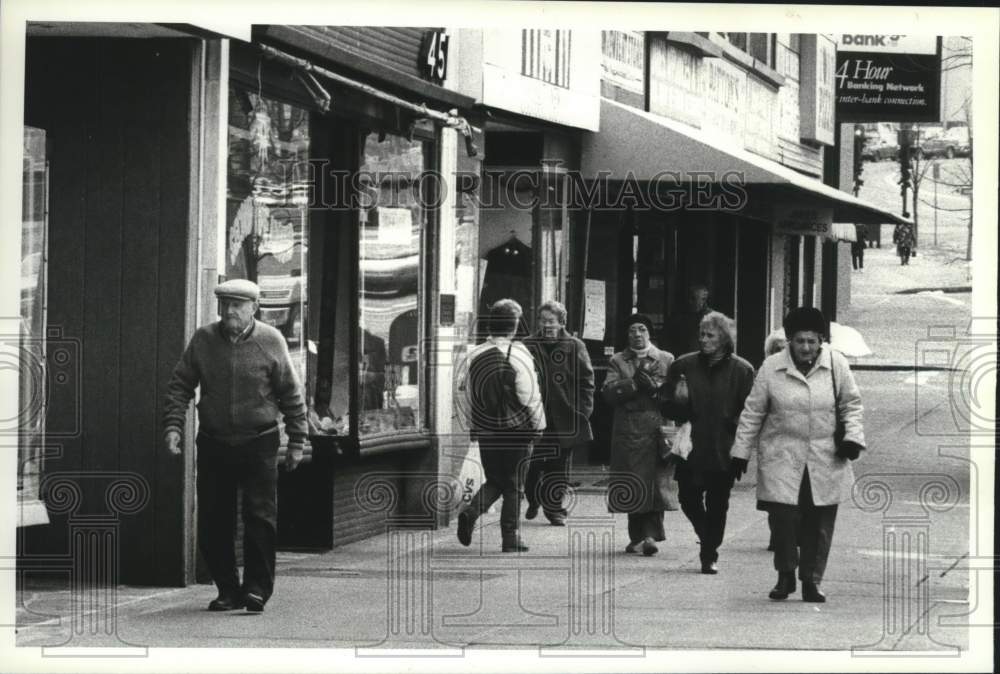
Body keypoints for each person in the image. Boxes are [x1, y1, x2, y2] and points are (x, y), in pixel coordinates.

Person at [163, 279, 307, 614]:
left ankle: (257, 589)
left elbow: (291, 394)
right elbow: (180, 384)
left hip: (259, 441)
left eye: (237, 305)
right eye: (225, 304)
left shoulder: (271, 341)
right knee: (214, 519)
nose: (229, 311)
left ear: (254, 308)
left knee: (259, 517)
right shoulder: (204, 340)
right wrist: (173, 426)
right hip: (214, 441)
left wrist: (298, 440)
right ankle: (227, 589)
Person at [731, 307, 866, 603]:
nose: (806, 347)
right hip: (782, 454)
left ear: (821, 341)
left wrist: (853, 438)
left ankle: (811, 581)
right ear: (790, 341)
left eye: (812, 341)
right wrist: (740, 452)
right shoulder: (771, 367)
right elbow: (753, 411)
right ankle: (785, 575)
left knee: (820, 524)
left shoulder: (837, 365)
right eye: (800, 341)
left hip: (826, 456)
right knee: (783, 520)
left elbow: (851, 405)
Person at [661, 311, 755, 574]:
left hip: (723, 448)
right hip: (691, 446)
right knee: (688, 498)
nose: (703, 340)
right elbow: (665, 403)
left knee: (718, 503)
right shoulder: (683, 365)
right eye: (701, 334)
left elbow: (750, 413)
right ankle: (708, 538)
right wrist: (677, 405)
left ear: (724, 339)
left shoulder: (742, 370)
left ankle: (709, 553)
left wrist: (742, 450)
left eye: (710, 335)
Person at [458, 299, 546, 552]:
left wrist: (473, 424)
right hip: (517, 430)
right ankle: (511, 537)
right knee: (515, 484)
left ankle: (472, 512)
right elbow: (529, 394)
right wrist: (539, 425)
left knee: (495, 478)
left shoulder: (474, 353)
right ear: (515, 325)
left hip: (486, 429)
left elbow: (465, 393)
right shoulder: (519, 353)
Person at [602, 314, 676, 556]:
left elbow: (675, 394)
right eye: (632, 329)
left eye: (642, 329)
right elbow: (608, 393)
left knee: (656, 483)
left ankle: (650, 536)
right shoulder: (617, 360)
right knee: (634, 483)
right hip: (629, 430)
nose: (637, 334)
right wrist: (632, 384)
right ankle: (638, 537)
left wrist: (656, 390)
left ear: (649, 333)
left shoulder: (666, 359)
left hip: (657, 429)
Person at [523, 301, 595, 526]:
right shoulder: (527, 345)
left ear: (561, 322)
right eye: (543, 321)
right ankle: (534, 499)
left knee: (558, 466)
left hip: (564, 416)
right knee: (532, 465)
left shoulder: (575, 346)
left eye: (551, 322)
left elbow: (587, 381)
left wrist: (582, 411)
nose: (546, 326)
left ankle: (554, 509)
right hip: (535, 417)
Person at [664, 284, 712, 358]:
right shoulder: (678, 316)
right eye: (688, 298)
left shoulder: (712, 318)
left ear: (703, 299)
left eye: (693, 298)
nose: (689, 301)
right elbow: (668, 340)